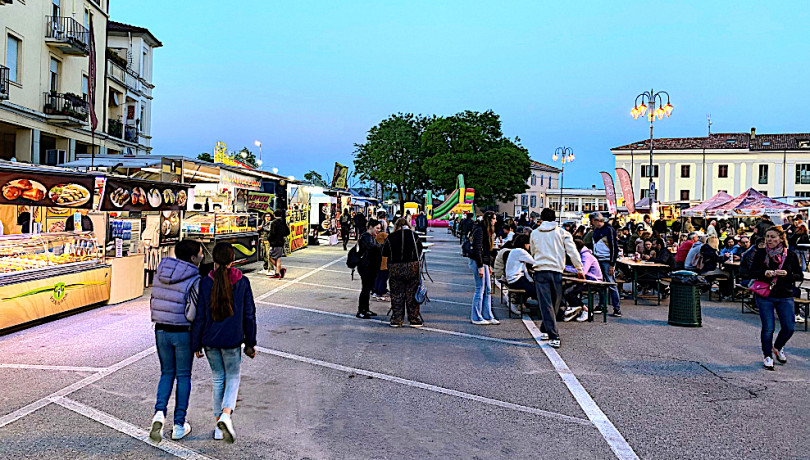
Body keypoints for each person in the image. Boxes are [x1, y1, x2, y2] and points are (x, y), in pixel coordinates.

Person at [191, 243, 257, 443]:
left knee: (218, 378)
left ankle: (218, 426)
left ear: (214, 260)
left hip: (210, 340)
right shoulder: (242, 282)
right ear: (232, 260)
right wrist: (250, 343)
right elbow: (249, 315)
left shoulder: (205, 282)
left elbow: (199, 316)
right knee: (233, 377)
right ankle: (226, 416)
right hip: (232, 340)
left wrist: (196, 343)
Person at [148, 239, 204, 442]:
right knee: (183, 376)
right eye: (200, 253)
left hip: (161, 329)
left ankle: (159, 414)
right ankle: (179, 425)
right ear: (192, 258)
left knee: (166, 373)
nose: (203, 256)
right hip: (182, 332)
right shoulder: (195, 278)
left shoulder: (161, 271)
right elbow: (193, 312)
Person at [750, 226, 803, 370]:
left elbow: (799, 275)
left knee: (789, 327)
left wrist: (787, 274)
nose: (769, 240)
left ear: (781, 238)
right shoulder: (761, 253)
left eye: (773, 237)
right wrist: (764, 273)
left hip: (784, 295)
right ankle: (767, 356)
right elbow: (751, 272)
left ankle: (778, 347)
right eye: (767, 237)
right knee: (768, 328)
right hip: (765, 295)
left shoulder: (790, 255)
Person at [530, 208, 584, 348]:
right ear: (555, 219)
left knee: (546, 303)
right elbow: (572, 251)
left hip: (540, 270)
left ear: (541, 219)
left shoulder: (534, 233)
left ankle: (546, 329)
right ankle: (554, 335)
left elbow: (533, 251)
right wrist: (579, 269)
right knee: (555, 302)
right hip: (556, 271)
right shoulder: (562, 232)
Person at [382, 218, 424, 327]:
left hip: (395, 268)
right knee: (412, 293)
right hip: (412, 267)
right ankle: (414, 319)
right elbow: (420, 249)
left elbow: (384, 253)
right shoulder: (414, 236)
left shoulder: (391, 237)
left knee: (396, 294)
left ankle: (397, 319)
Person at [469, 212, 499, 325]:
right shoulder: (480, 230)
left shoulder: (485, 230)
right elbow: (478, 249)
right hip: (478, 262)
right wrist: (481, 266)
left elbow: (485, 250)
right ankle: (476, 316)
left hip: (483, 262)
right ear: (489, 220)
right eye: (494, 219)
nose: (495, 221)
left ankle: (487, 315)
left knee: (487, 289)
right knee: (480, 289)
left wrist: (488, 265)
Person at [562, 239, 602, 322]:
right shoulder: (582, 254)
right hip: (585, 280)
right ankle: (575, 308)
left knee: (568, 292)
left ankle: (586, 310)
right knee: (564, 288)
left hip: (593, 282)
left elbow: (582, 271)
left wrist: (564, 267)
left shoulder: (586, 256)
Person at [591, 213, 621, 316]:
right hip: (598, 259)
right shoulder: (596, 230)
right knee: (600, 283)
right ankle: (602, 305)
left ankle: (617, 308)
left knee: (611, 283)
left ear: (596, 221)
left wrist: (612, 264)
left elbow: (614, 247)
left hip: (607, 260)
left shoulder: (609, 230)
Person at [504, 235, 536, 316]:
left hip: (512, 278)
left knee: (532, 287)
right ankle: (515, 302)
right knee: (535, 290)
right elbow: (534, 262)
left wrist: (531, 280)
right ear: (525, 244)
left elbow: (524, 269)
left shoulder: (514, 251)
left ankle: (520, 302)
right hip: (516, 279)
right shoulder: (521, 252)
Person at [356, 219, 382, 319]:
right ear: (371, 227)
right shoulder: (365, 237)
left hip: (370, 267)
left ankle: (366, 309)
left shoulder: (371, 237)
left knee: (367, 289)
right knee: (365, 289)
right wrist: (381, 246)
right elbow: (372, 248)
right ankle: (361, 311)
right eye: (377, 228)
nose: (379, 230)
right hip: (365, 267)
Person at [266, 210, 289, 279]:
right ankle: (278, 272)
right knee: (278, 258)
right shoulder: (283, 222)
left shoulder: (274, 223)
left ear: (274, 215)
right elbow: (287, 232)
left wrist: (269, 238)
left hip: (274, 243)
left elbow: (272, 233)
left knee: (269, 257)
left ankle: (280, 270)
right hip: (281, 242)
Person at [372, 221, 390, 302]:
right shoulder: (384, 235)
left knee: (378, 276)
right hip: (384, 260)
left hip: (377, 259)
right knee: (384, 277)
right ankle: (380, 291)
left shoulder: (375, 236)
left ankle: (375, 291)